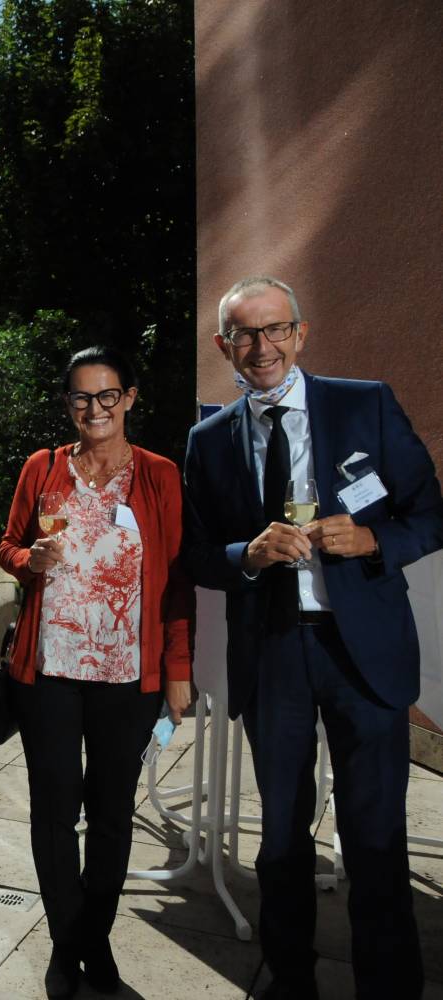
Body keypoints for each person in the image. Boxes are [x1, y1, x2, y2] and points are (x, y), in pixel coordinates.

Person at [182, 276, 443, 1000]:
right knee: (283, 836)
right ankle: (288, 977)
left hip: (363, 653)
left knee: (376, 835)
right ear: (223, 346)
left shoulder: (365, 403)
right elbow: (200, 554)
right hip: (274, 650)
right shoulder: (208, 440)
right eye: (244, 334)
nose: (260, 347)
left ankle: (388, 985)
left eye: (274, 330)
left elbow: (429, 514)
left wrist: (369, 539)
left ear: (300, 334)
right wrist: (247, 555)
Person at [0, 346, 192, 999]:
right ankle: (65, 944)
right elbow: (10, 548)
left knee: (110, 815)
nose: (95, 409)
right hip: (48, 670)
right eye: (81, 398)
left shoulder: (161, 476)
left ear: (131, 398)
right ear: (68, 405)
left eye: (108, 395)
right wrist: (33, 560)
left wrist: (179, 669)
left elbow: (177, 583)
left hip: (126, 677)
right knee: (54, 813)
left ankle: (93, 941)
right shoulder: (43, 468)